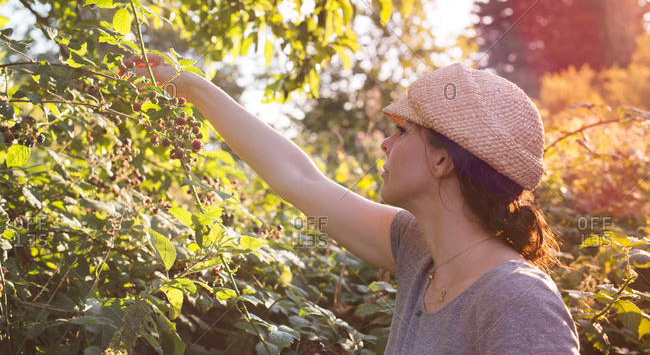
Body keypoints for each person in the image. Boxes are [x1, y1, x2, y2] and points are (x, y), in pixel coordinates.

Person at [126, 56, 580, 354]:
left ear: (443, 159)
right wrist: (189, 86)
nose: (385, 143)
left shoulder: (518, 299)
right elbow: (299, 179)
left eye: (404, 132)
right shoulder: (417, 247)